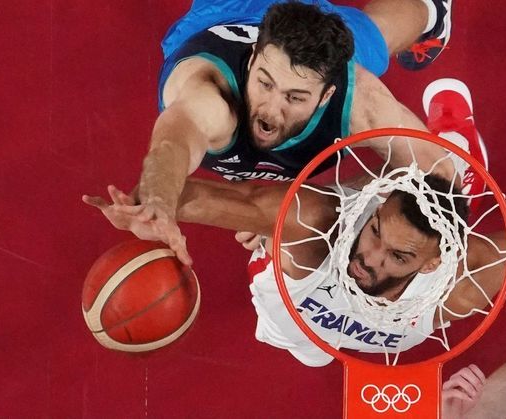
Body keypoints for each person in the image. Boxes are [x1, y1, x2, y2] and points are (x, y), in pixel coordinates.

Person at [84, 173, 506, 419]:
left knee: (440, 166)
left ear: (431, 264)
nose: (372, 257)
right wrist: (153, 204)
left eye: (398, 258)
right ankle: (434, 148)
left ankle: (453, 137)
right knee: (267, 219)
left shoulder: (451, 288)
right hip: (282, 303)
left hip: (350, 337)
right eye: (376, 231)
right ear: (377, 210)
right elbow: (213, 198)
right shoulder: (314, 230)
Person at [137, 0, 480, 265]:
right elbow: (172, 145)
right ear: (254, 56)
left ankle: (431, 9)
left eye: (294, 98)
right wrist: (157, 202)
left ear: (328, 95)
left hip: (315, 39)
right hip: (227, 11)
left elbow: (440, 174)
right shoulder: (210, 97)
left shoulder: (359, 100)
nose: (271, 109)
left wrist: (313, 205)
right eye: (264, 84)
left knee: (378, 34)